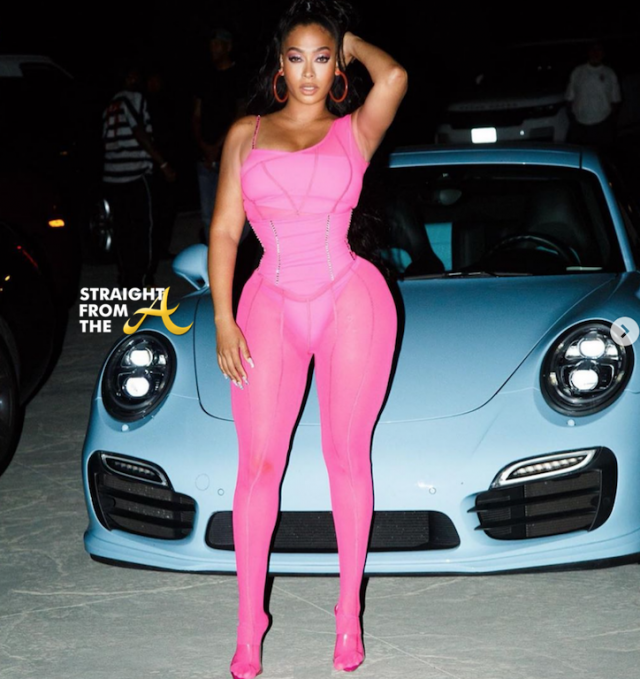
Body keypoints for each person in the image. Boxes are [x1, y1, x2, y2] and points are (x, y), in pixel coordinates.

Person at [208, 1, 408, 677]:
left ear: (338, 66)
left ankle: (348, 611)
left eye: (323, 59)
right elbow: (225, 231)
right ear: (279, 65)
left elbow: (396, 77)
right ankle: (249, 623)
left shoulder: (355, 131)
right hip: (267, 302)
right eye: (297, 58)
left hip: (350, 300)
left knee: (345, 456)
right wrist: (223, 317)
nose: (310, 72)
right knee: (258, 464)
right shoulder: (245, 134)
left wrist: (350, 39)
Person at [102, 61, 176, 288]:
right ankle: (143, 279)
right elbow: (139, 131)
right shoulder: (134, 99)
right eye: (135, 76)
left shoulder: (110, 104)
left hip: (112, 176)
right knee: (145, 228)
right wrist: (163, 164)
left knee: (122, 229)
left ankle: (126, 277)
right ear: (129, 78)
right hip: (135, 174)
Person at [193, 28, 247, 243]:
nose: (212, 48)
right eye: (211, 44)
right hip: (205, 158)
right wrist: (204, 146)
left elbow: (241, 114)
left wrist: (218, 146)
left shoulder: (239, 76)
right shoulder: (204, 76)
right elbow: (196, 115)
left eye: (217, 44)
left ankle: (237, 256)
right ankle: (213, 260)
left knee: (239, 215)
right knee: (208, 216)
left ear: (228, 47)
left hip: (230, 156)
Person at [565, 41, 622, 156]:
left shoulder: (609, 73)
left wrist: (610, 122)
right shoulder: (578, 71)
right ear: (588, 52)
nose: (596, 53)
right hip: (580, 125)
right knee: (579, 157)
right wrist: (573, 119)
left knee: (603, 156)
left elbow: (616, 100)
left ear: (603, 53)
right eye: (593, 50)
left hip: (602, 125)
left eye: (599, 50)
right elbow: (569, 98)